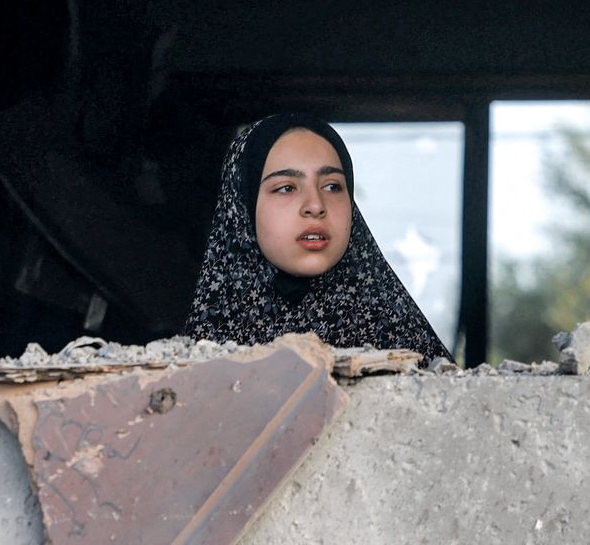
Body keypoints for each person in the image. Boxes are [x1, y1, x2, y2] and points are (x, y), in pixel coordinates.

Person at [187, 113, 451, 361]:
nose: (315, 205)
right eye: (287, 188)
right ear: (241, 206)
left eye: (332, 186)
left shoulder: (398, 339)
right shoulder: (206, 347)